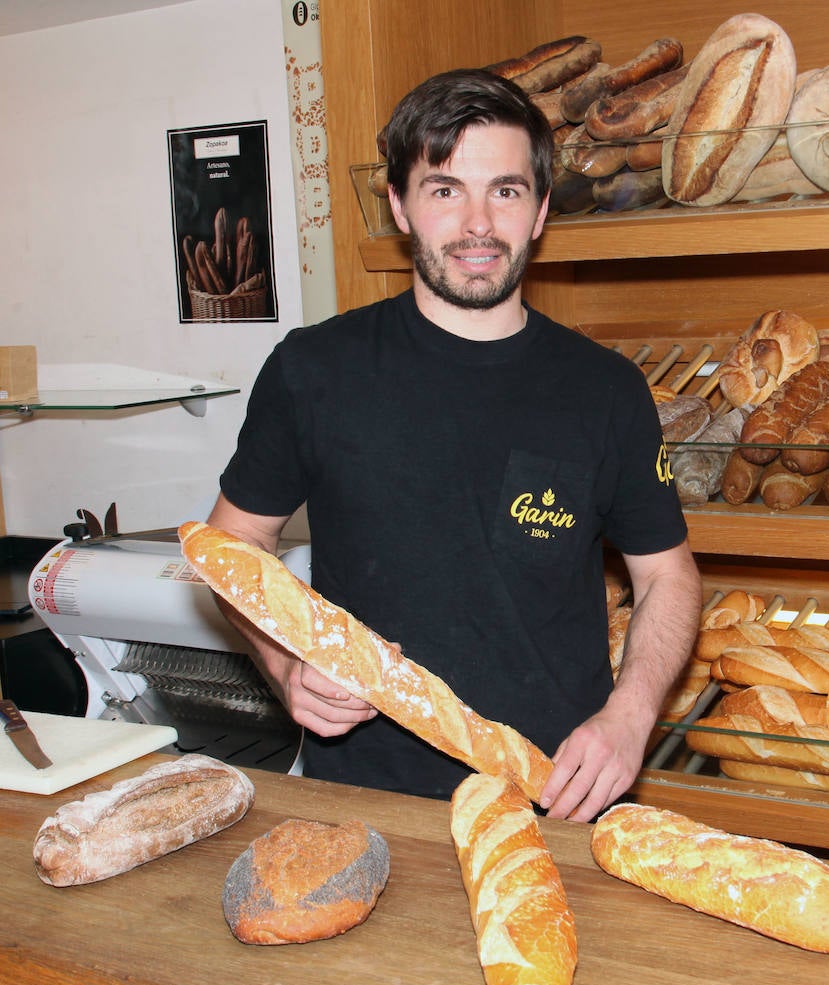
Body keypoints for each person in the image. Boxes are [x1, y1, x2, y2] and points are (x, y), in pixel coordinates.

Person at [204, 68, 702, 822]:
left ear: (538, 212)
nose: (477, 224)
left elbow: (667, 576)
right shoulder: (314, 371)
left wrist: (631, 718)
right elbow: (232, 544)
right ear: (401, 207)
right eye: (445, 190)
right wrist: (282, 665)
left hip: (555, 793)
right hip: (363, 795)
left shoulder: (605, 391)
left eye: (505, 190)